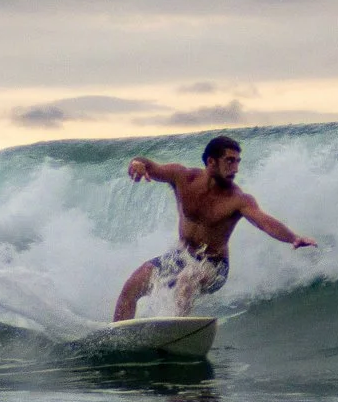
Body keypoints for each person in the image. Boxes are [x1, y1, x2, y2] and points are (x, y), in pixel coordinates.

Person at [113, 135, 315, 320]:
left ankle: (174, 331)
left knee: (188, 278)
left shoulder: (238, 199)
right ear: (211, 162)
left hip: (214, 267)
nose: (235, 168)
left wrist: (293, 238)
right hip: (181, 257)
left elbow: (263, 221)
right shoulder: (183, 177)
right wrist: (137, 164)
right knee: (132, 285)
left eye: (237, 161)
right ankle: (118, 337)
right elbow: (150, 166)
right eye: (229, 161)